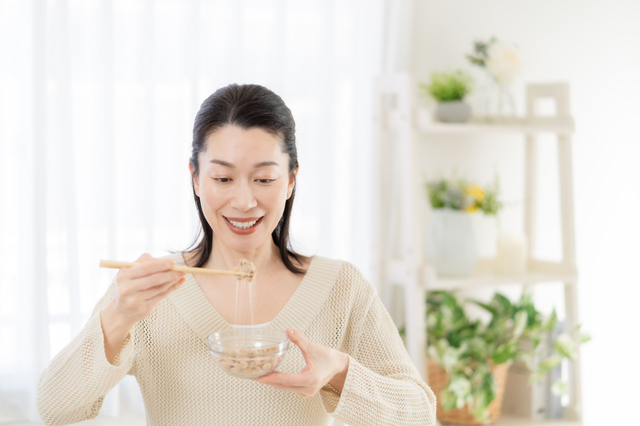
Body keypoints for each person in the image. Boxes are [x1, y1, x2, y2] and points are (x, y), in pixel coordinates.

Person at [36, 84, 436, 426]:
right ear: (194, 178)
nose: (244, 201)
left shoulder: (340, 287)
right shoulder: (149, 291)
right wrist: (117, 319)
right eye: (223, 178)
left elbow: (420, 414)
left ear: (292, 180)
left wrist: (340, 374)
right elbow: (53, 408)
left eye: (264, 179)